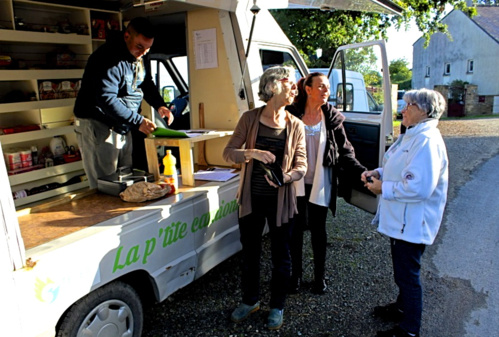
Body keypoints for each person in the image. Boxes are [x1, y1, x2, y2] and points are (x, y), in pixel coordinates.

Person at [223, 66, 307, 330]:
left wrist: (287, 177)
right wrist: (253, 153)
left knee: (282, 256)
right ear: (272, 86)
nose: (296, 88)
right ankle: (250, 300)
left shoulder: (296, 125)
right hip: (251, 200)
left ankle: (277, 306)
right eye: (290, 82)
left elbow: (301, 165)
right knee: (250, 254)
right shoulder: (249, 119)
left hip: (281, 203)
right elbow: (229, 153)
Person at [362, 88, 449, 337]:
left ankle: (410, 330)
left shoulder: (427, 141)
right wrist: (379, 172)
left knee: (408, 276)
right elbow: (400, 166)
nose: (402, 109)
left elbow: (419, 188)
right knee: (402, 272)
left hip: (412, 224)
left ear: (424, 110)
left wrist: (383, 188)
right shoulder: (413, 135)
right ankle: (402, 308)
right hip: (402, 221)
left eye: (408, 105)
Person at [286, 72, 367, 294]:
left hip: (322, 183)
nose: (326, 91)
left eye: (328, 88)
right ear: (308, 89)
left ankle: (319, 277)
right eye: (321, 86)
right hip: (296, 183)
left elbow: (345, 151)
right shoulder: (291, 115)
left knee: (318, 231)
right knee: (295, 231)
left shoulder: (331, 118)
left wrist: (361, 172)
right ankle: (296, 276)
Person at [74, 17, 173, 188]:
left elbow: (145, 82)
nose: (143, 53)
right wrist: (138, 121)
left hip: (123, 123)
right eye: (140, 46)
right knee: (106, 184)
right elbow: (106, 98)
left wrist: (160, 105)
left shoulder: (139, 55)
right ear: (127, 36)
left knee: (126, 180)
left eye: (148, 49)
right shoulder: (107, 58)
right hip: (98, 123)